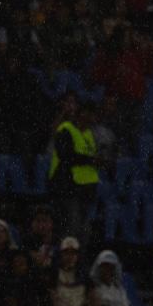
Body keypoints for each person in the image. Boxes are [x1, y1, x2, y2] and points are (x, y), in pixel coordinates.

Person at [46, 98, 101, 247]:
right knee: (71, 229)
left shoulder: (89, 134)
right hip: (67, 188)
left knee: (83, 232)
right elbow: (66, 155)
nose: (92, 118)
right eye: (90, 114)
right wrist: (90, 160)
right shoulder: (66, 129)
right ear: (82, 114)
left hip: (85, 190)